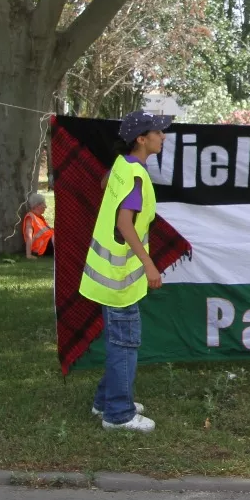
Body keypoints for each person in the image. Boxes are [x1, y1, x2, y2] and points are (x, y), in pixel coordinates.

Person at [80, 110, 171, 431]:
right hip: (119, 278)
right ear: (141, 139)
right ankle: (118, 415)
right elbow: (124, 224)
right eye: (158, 132)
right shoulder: (136, 175)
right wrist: (149, 264)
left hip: (104, 274)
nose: (163, 136)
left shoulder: (123, 166)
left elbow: (105, 182)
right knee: (125, 344)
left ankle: (105, 401)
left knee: (119, 341)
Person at [21, 192, 53, 258]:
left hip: (50, 243)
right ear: (37, 205)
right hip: (43, 247)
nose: (46, 207)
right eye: (44, 204)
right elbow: (28, 236)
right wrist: (28, 255)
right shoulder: (30, 217)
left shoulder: (40, 218)